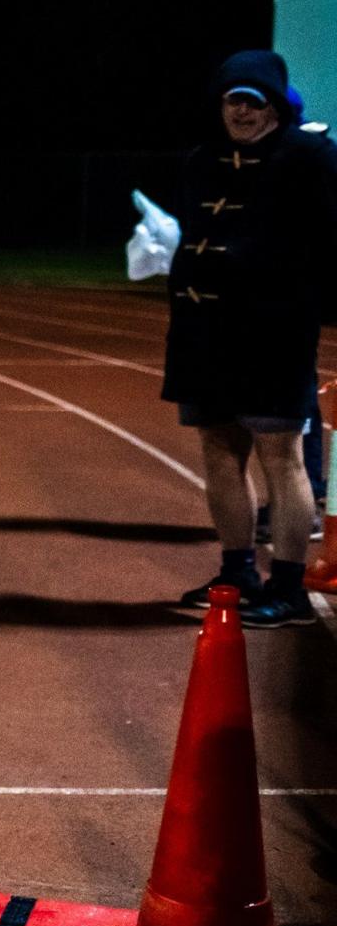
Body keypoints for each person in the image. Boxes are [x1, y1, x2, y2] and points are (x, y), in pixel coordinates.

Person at [161, 50, 337, 629]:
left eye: (253, 101)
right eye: (233, 99)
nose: (241, 111)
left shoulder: (310, 157)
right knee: (217, 449)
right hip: (202, 332)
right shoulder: (200, 160)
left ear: (274, 107)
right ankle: (236, 571)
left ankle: (286, 587)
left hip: (273, 333)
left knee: (280, 458)